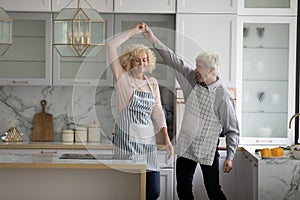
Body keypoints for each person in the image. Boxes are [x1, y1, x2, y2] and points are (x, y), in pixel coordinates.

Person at [140, 22, 240, 200]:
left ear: (211, 70)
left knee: (213, 190)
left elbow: (232, 129)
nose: (195, 69)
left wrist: (230, 156)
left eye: (199, 67)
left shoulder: (222, 96)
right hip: (187, 144)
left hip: (208, 147)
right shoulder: (192, 78)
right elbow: (173, 59)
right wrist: (152, 38)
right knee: (183, 188)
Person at [107, 24, 174, 200]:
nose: (141, 63)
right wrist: (134, 32)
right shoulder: (122, 80)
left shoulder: (152, 83)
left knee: (153, 191)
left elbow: (158, 112)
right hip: (125, 142)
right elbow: (111, 46)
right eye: (137, 59)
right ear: (129, 62)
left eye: (144, 59)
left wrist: (166, 139)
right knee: (127, 191)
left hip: (147, 142)